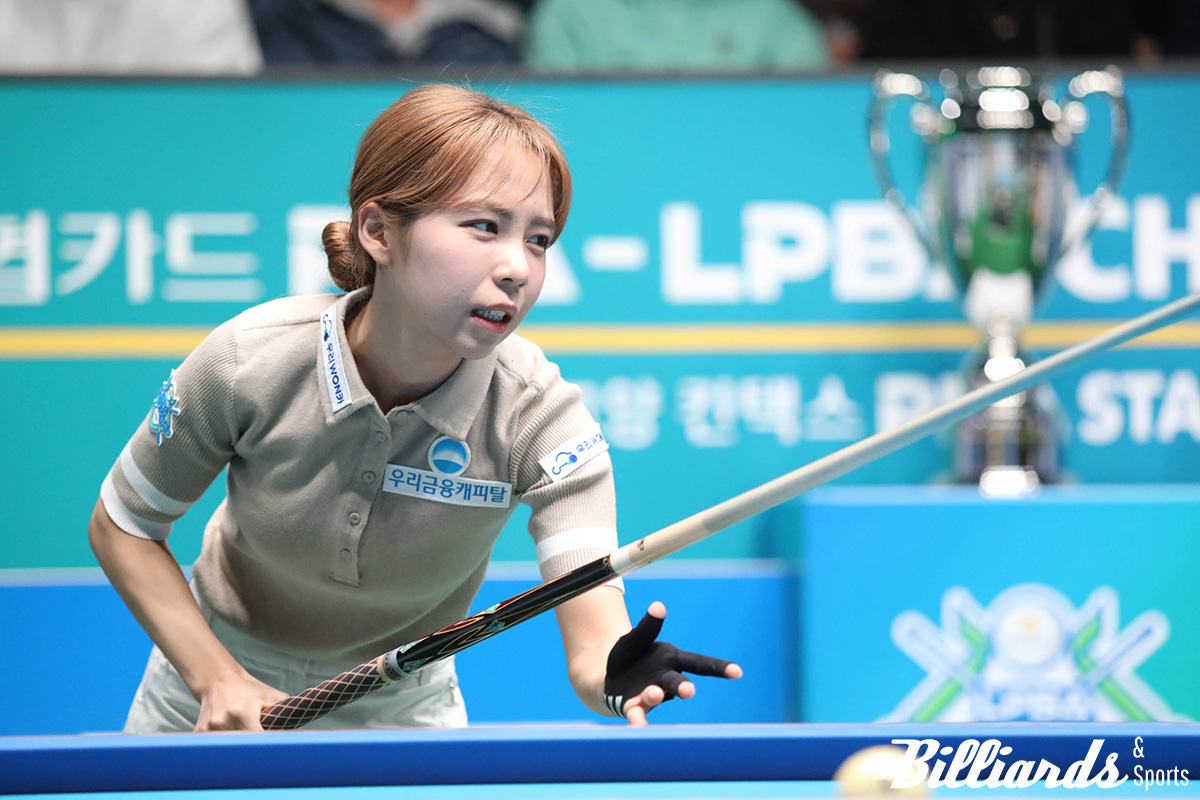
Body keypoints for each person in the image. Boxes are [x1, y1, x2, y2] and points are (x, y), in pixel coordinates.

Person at [89, 83, 741, 733]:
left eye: (539, 239)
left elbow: (595, 634)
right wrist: (214, 676)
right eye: (484, 226)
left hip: (403, 705)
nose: (518, 266)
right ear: (378, 231)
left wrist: (612, 677)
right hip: (211, 686)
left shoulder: (541, 417)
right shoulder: (246, 361)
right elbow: (122, 522)